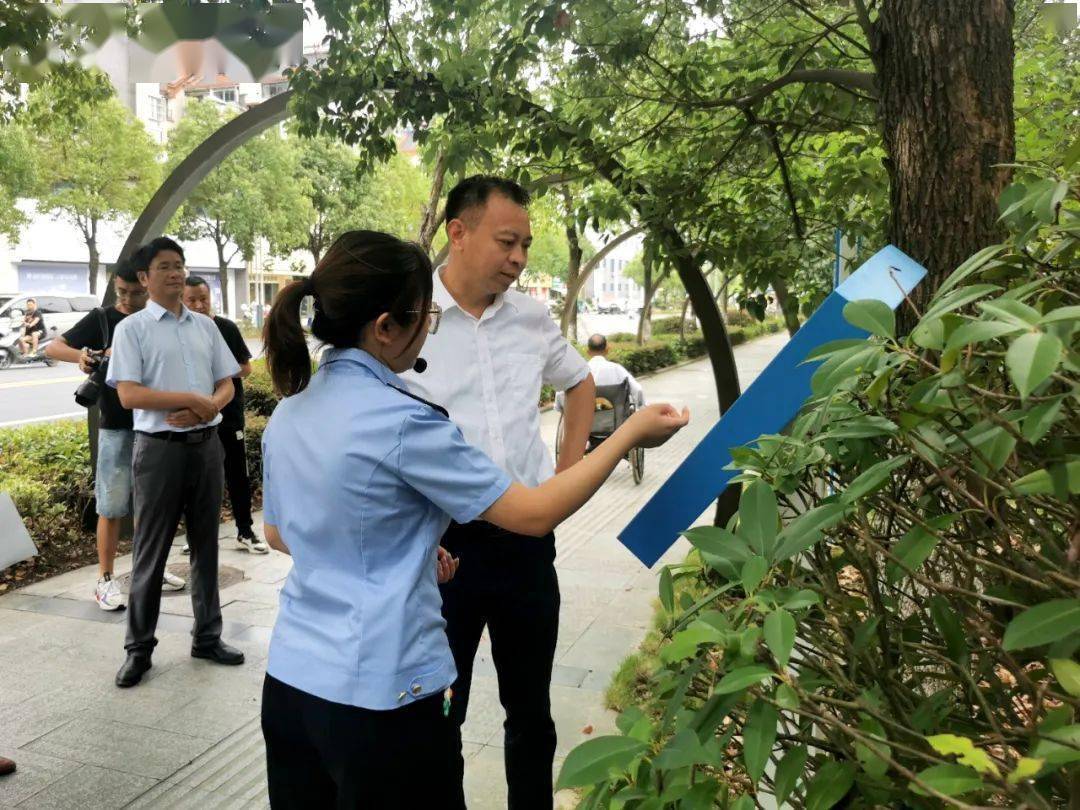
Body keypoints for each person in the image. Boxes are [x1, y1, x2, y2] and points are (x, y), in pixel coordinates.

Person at [258, 229, 687, 808]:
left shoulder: (290, 411)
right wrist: (631, 433)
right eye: (423, 318)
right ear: (386, 327)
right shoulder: (405, 422)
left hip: (291, 685)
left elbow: (281, 532)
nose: (428, 329)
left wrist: (403, 547)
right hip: (387, 696)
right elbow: (533, 515)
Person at [399, 175, 598, 808]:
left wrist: (565, 476)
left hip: (525, 540)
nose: (518, 258)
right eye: (507, 241)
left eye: (526, 245)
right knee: (439, 713)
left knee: (531, 709)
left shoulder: (533, 318)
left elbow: (581, 383)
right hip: (442, 550)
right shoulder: (408, 318)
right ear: (457, 233)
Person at [106, 237, 245, 688]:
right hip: (159, 450)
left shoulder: (205, 327)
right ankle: (138, 649)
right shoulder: (133, 329)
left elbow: (228, 382)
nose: (175, 273)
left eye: (179, 265)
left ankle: (207, 636)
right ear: (145, 278)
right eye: (164, 266)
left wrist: (210, 406)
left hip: (205, 447)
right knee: (151, 549)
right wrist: (191, 398)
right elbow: (128, 394)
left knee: (207, 545)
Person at [46, 253, 187, 609]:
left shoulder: (158, 318)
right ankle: (105, 579)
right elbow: (53, 346)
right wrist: (82, 355)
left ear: (146, 285)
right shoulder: (104, 319)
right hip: (117, 427)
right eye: (120, 291)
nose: (126, 300)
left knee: (150, 505)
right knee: (110, 506)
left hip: (155, 426)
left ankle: (150, 568)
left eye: (133, 293)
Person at [181, 277, 268, 554]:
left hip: (228, 415)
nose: (198, 304)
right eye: (191, 299)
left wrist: (215, 370)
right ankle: (194, 535)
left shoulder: (225, 327)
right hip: (194, 419)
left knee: (236, 474)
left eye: (203, 298)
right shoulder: (178, 331)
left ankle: (245, 530)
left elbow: (245, 368)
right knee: (194, 480)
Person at [555, 333, 645, 413]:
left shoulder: (576, 372)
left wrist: (564, 409)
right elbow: (638, 390)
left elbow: (560, 396)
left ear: (588, 352)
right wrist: (639, 409)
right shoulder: (617, 370)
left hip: (582, 425)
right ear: (607, 349)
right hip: (616, 424)